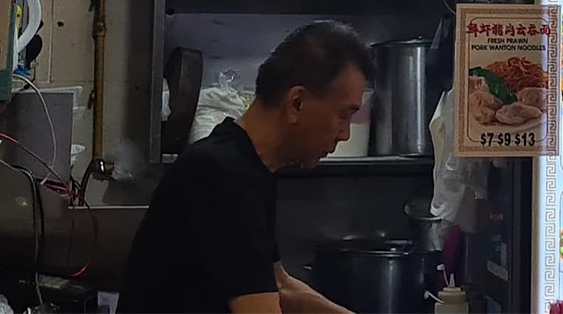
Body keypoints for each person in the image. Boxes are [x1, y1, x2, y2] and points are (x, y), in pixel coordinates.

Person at [119, 21, 373, 313]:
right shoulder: (219, 174)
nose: (345, 133)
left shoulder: (250, 165)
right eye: (343, 115)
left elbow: (279, 286)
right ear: (297, 102)